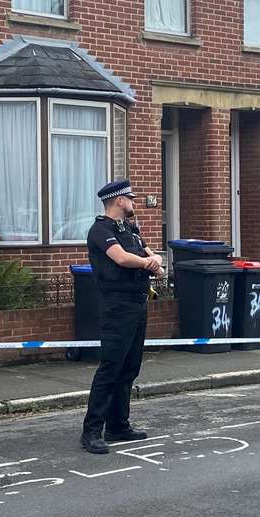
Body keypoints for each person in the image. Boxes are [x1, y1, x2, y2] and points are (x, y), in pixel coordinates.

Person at [81, 179, 164, 453]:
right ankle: (92, 430)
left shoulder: (130, 229)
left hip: (138, 302)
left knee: (130, 368)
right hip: (117, 306)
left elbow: (151, 255)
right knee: (110, 368)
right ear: (119, 200)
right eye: (130, 198)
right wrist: (148, 262)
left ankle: (118, 425)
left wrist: (155, 262)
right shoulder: (100, 230)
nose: (133, 202)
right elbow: (121, 259)